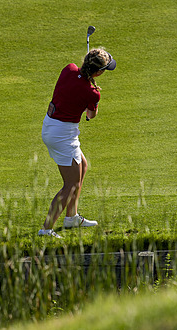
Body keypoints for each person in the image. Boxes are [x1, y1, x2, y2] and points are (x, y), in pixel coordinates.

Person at [38, 48, 116, 238]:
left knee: (83, 165)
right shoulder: (92, 93)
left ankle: (71, 217)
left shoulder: (69, 69)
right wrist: (93, 94)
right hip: (62, 135)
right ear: (98, 72)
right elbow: (90, 115)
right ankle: (46, 229)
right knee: (70, 184)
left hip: (52, 126)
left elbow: (74, 83)